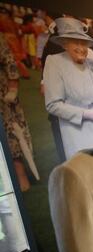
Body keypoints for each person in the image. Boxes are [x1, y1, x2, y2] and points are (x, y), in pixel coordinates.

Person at [43, 17, 93, 160]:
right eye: (76, 42)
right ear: (64, 44)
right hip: (79, 137)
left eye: (84, 43)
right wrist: (87, 115)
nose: (81, 48)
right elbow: (53, 104)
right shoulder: (55, 62)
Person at [0, 33, 34, 191]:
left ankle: (21, 177)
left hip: (3, 97)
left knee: (12, 136)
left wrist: (12, 89)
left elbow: (10, 62)